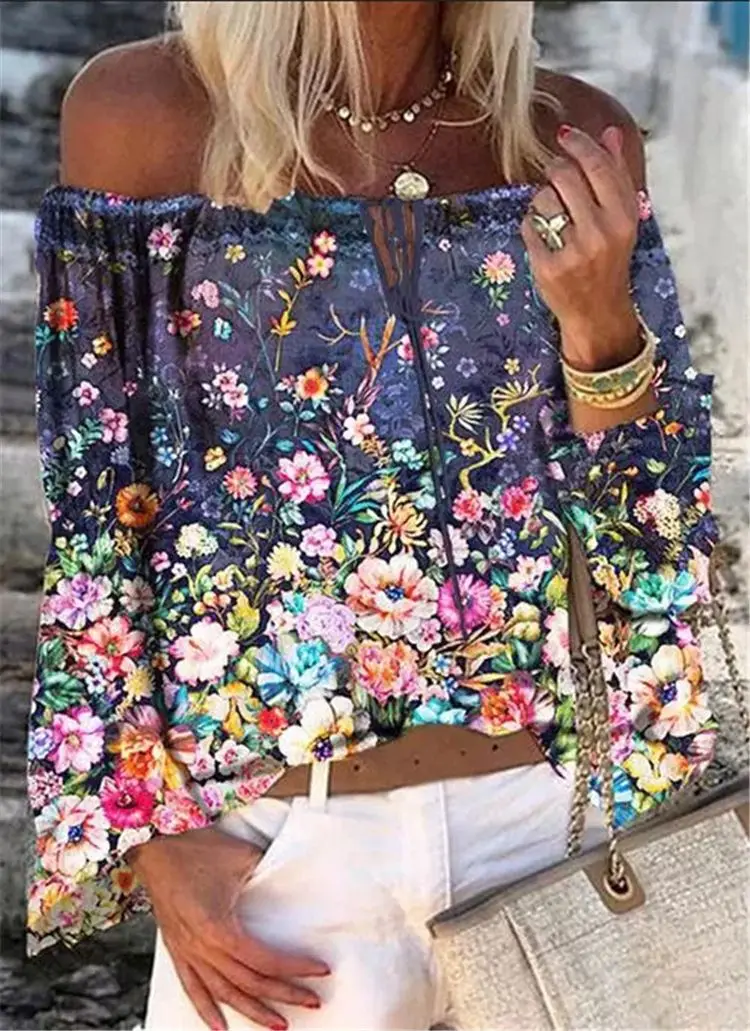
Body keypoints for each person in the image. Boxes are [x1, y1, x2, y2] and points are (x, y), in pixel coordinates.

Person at [27, 2, 718, 1029]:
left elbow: (653, 540)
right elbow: (97, 504)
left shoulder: (571, 140)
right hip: (284, 862)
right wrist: (151, 831)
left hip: (556, 826)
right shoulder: (145, 115)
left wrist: (600, 320)